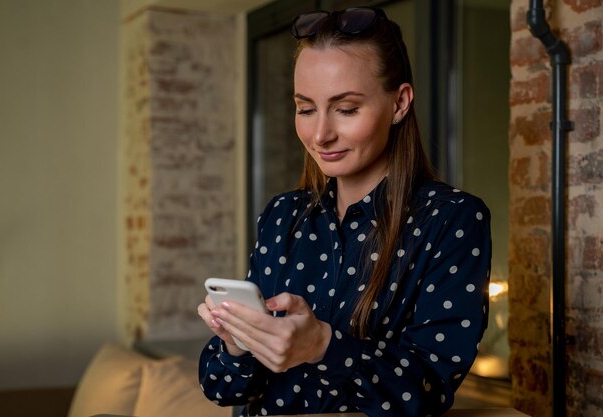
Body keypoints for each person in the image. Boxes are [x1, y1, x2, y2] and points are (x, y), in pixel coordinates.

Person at [198, 6, 491, 417]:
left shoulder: (451, 220)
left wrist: (321, 345)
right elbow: (221, 387)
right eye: (305, 108)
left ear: (400, 103)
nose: (320, 134)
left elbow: (426, 391)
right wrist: (237, 339)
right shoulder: (283, 215)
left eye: (347, 109)